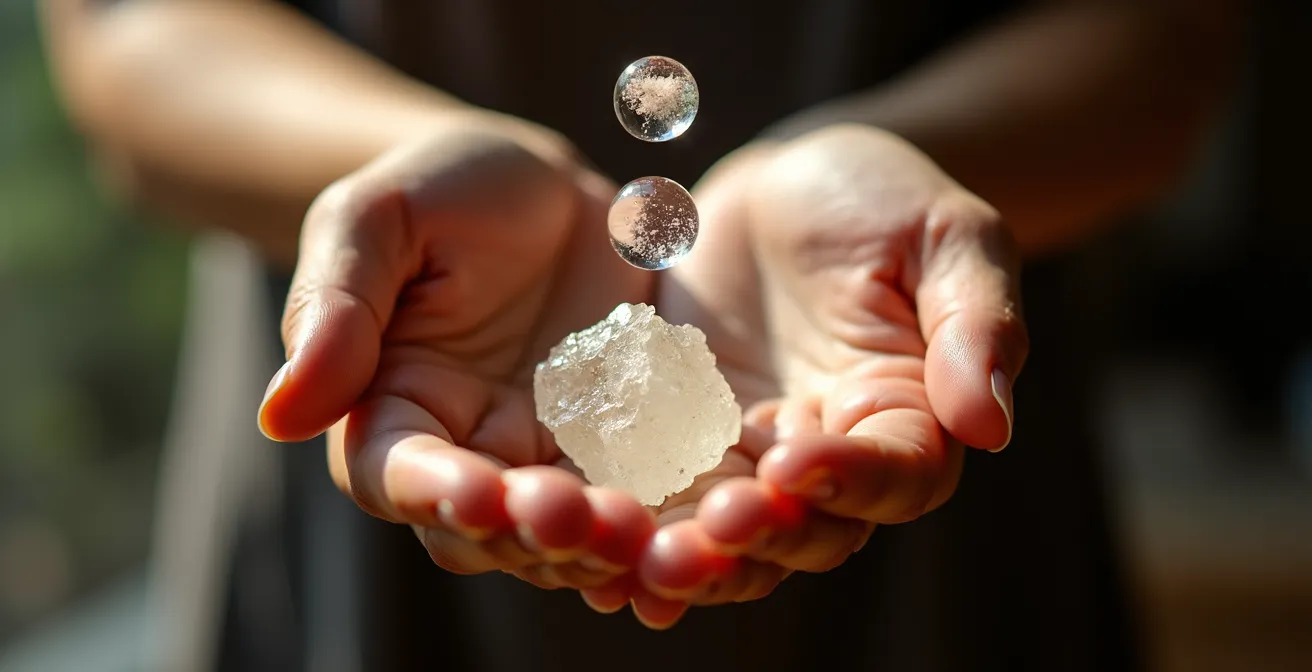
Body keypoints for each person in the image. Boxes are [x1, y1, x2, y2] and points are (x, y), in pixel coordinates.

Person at [41, 0, 1239, 669]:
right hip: (395, 422)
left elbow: (1166, 41)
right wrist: (382, 175)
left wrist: (925, 173)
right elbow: (127, 30)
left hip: (916, 467)